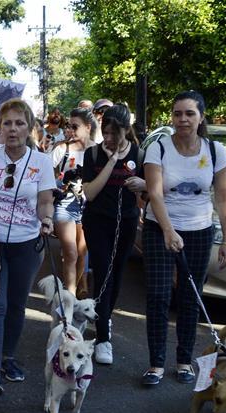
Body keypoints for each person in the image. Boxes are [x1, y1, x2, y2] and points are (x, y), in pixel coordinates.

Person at [140, 90, 226, 386]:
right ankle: (155, 363)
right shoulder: (160, 148)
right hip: (159, 228)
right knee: (158, 296)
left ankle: (183, 361)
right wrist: (168, 230)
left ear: (201, 117)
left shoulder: (216, 150)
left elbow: (223, 195)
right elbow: (154, 192)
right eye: (178, 113)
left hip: (200, 230)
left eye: (189, 113)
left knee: (190, 297)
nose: (182, 119)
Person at [0, 98, 56, 396]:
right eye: (7, 123)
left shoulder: (42, 162)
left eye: (19, 123)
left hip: (27, 244)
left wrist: (47, 220)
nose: (12, 129)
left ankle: (8, 357)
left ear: (30, 128)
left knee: (16, 304)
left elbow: (45, 201)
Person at [81, 103, 145, 366]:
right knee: (103, 271)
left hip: (126, 222)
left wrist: (143, 185)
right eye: (105, 132)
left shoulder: (140, 155)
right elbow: (90, 193)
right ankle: (103, 339)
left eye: (113, 133)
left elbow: (149, 192)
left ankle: (104, 315)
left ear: (125, 131)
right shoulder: (93, 154)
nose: (108, 138)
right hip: (97, 222)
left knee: (117, 273)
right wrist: (112, 161)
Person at [52, 107, 96, 294]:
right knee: (70, 253)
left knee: (82, 253)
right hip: (64, 205)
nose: (70, 130)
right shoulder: (62, 149)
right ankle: (68, 297)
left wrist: (87, 187)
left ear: (88, 127)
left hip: (88, 207)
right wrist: (62, 183)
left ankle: (74, 290)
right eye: (69, 126)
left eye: (75, 126)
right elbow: (46, 178)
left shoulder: (97, 151)